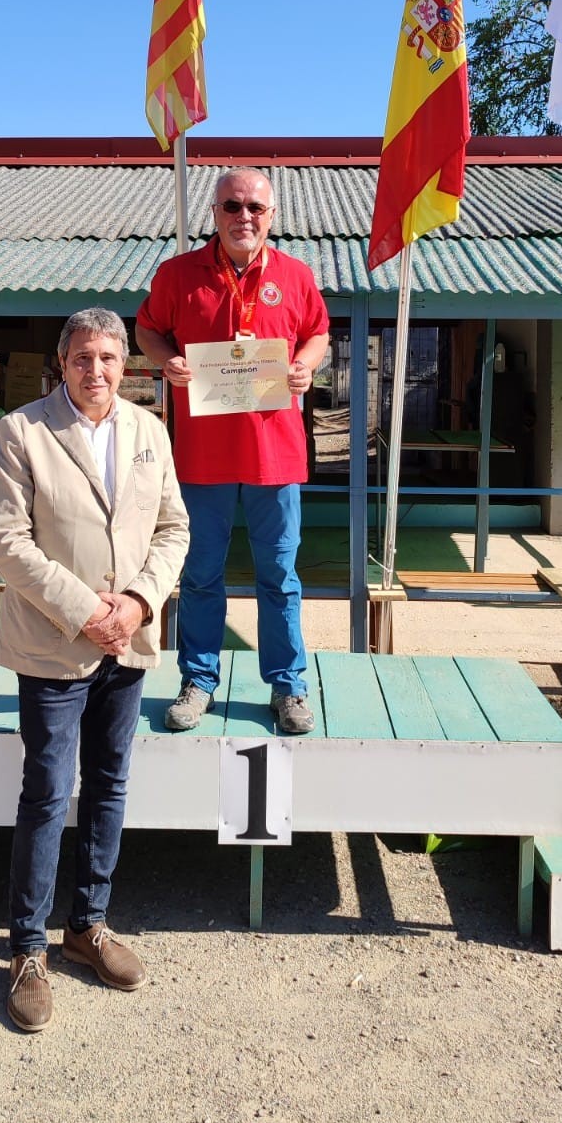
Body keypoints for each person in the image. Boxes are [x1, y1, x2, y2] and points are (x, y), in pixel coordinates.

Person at [0, 307, 189, 1033]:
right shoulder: (22, 432)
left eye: (108, 358)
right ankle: (27, 950)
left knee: (109, 782)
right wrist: (86, 611)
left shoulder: (148, 432)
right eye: (81, 358)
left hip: (126, 642)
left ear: (125, 364)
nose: (95, 371)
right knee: (46, 790)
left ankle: (88, 926)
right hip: (54, 645)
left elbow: (174, 527)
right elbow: (7, 544)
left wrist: (134, 603)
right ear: (60, 363)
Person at [136, 167, 330, 736]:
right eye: (231, 206)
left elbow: (317, 331)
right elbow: (147, 330)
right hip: (202, 457)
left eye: (255, 208)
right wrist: (162, 358)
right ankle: (197, 680)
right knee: (198, 576)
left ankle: (289, 686)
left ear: (271, 216)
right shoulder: (178, 275)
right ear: (214, 213)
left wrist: (306, 366)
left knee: (279, 575)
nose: (243, 217)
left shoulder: (295, 276)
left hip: (276, 457)